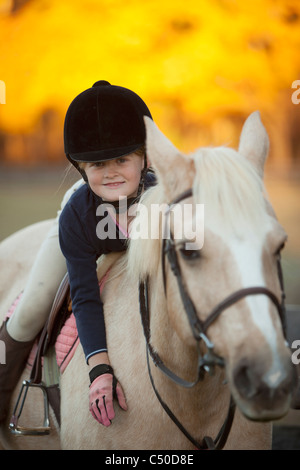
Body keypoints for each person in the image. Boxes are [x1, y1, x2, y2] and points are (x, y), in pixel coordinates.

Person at [0, 80, 156, 426]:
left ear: (145, 157)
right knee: (33, 305)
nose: (111, 171)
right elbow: (84, 296)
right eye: (97, 165)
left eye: (121, 159)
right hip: (78, 234)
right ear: (81, 168)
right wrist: (99, 366)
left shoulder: (170, 200)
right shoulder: (77, 214)